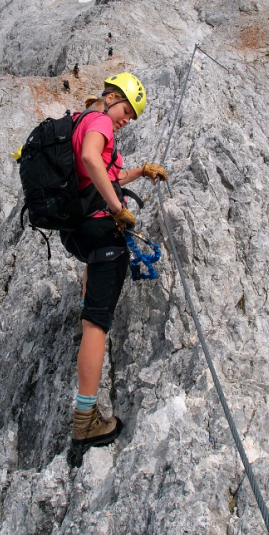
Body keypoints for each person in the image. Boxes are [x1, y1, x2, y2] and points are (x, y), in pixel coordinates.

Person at [60, 72, 168, 449]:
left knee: (94, 283)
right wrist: (117, 208)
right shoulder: (100, 120)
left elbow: (107, 172)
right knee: (98, 323)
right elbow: (92, 158)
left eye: (131, 117)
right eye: (126, 110)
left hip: (77, 231)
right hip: (100, 229)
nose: (126, 119)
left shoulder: (82, 119)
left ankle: (84, 320)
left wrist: (141, 171)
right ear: (111, 96)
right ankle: (85, 419)